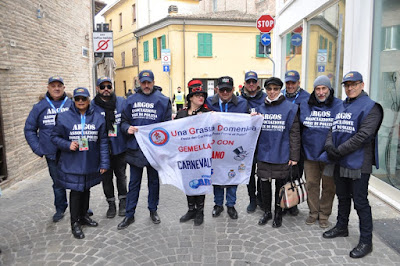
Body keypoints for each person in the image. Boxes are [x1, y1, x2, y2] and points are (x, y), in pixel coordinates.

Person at [322, 71, 383, 259]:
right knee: (342, 196)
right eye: (347, 85)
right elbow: (334, 128)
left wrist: (338, 150)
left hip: (359, 163)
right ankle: (342, 226)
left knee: (360, 201)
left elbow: (364, 136)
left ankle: (366, 241)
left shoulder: (372, 107)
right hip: (340, 160)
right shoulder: (342, 105)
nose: (350, 88)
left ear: (362, 85)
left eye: (354, 84)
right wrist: (329, 145)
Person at [51, 87, 109, 239]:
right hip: (73, 161)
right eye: (78, 99)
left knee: (86, 189)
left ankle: (83, 216)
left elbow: (103, 142)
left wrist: (104, 163)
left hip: (90, 160)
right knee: (76, 191)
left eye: (84, 98)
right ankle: (74, 223)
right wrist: (67, 144)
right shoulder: (63, 117)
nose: (81, 101)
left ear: (89, 100)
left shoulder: (98, 118)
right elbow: (54, 137)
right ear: (74, 100)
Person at [117, 70, 172, 230]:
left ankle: (153, 210)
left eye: (149, 82)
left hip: (154, 150)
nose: (146, 85)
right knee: (134, 183)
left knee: (154, 182)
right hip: (135, 148)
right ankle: (129, 214)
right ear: (139, 83)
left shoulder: (162, 100)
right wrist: (127, 128)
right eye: (143, 82)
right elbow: (123, 121)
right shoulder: (131, 100)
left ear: (153, 82)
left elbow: (167, 125)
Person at [24, 76, 72, 223]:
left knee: (77, 179)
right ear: (48, 88)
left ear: (64, 88)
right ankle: (60, 208)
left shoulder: (72, 103)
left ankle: (81, 207)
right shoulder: (39, 107)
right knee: (58, 182)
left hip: (71, 150)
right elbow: (29, 129)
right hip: (52, 153)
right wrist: (38, 148)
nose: (56, 88)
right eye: (53, 86)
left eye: (59, 85)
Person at [255, 77, 300, 228]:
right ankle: (267, 212)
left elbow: (294, 133)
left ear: (280, 89)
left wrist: (294, 156)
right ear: (265, 90)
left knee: (280, 186)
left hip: (281, 153)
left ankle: (278, 213)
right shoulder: (260, 109)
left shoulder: (290, 108)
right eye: (269, 89)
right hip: (264, 154)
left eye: (275, 89)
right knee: (264, 186)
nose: (272, 92)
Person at [300, 75, 342, 228]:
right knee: (311, 184)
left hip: (329, 155)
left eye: (324, 88)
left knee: (329, 186)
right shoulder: (305, 104)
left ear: (329, 89)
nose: (321, 92)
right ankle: (313, 212)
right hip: (310, 154)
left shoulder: (339, 105)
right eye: (318, 89)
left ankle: (324, 214)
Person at [205, 76, 248, 219]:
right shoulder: (209, 102)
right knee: (216, 175)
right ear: (217, 89)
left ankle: (231, 205)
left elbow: (248, 123)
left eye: (228, 90)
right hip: (215, 147)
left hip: (234, 146)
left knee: (232, 175)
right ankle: (218, 204)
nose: (224, 93)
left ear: (233, 90)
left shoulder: (242, 103)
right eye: (222, 90)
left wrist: (254, 118)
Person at [176, 79, 210, 226]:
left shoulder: (208, 113)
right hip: (186, 155)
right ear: (190, 98)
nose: (200, 97)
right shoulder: (181, 114)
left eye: (202, 95)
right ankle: (191, 209)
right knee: (188, 182)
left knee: (201, 182)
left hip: (202, 156)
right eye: (197, 95)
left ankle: (200, 211)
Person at [92, 77, 127, 218]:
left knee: (121, 177)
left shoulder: (121, 102)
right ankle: (111, 205)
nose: (106, 89)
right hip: (102, 150)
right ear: (97, 89)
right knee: (106, 179)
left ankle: (123, 203)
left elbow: (128, 118)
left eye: (108, 86)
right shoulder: (92, 105)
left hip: (119, 148)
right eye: (102, 86)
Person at [282, 70, 311, 216]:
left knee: (296, 173)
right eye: (288, 83)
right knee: (282, 173)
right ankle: (282, 201)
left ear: (298, 83)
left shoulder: (307, 97)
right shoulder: (281, 96)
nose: (290, 85)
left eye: (293, 83)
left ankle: (293, 203)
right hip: (282, 141)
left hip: (300, 142)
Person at [239, 71, 267, 213]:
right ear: (244, 83)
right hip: (246, 143)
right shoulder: (239, 100)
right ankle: (252, 200)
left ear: (257, 84)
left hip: (262, 142)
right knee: (249, 173)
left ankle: (261, 198)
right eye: (248, 82)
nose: (251, 84)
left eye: (253, 82)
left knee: (262, 173)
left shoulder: (265, 98)